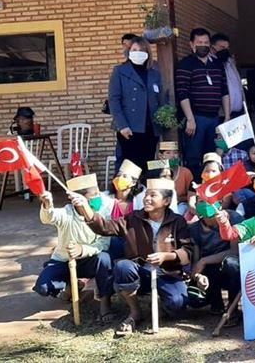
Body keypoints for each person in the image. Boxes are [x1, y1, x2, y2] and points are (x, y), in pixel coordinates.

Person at [76, 178, 194, 336]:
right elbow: (104, 227)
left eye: (153, 195)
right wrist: (85, 209)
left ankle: (162, 306)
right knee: (123, 266)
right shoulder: (133, 219)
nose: (147, 199)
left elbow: (188, 251)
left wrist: (167, 256)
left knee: (178, 305)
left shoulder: (177, 221)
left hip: (168, 274)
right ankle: (135, 311)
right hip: (141, 272)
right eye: (146, 195)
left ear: (166, 201)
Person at [34, 175, 113, 322]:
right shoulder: (66, 213)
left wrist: (82, 250)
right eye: (94, 195)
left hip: (89, 260)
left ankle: (105, 302)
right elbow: (49, 218)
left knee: (104, 259)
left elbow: (103, 244)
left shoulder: (103, 214)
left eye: (98, 193)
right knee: (44, 288)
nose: (98, 198)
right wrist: (47, 205)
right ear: (77, 199)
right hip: (64, 261)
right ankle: (73, 286)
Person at [176, 28, 231, 178]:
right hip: (196, 118)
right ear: (192, 44)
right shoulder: (185, 64)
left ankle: (212, 187)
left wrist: (227, 116)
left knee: (213, 157)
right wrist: (190, 119)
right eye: (199, 42)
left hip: (214, 118)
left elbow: (224, 90)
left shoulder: (217, 64)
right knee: (194, 157)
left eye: (206, 42)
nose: (203, 45)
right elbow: (182, 93)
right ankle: (194, 187)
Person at [109, 37, 164, 178]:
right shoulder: (120, 71)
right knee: (129, 167)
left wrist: (164, 119)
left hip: (150, 128)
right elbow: (114, 100)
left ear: (147, 53)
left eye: (141, 50)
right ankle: (124, 192)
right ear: (129, 51)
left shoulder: (154, 73)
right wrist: (122, 125)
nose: (138, 52)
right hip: (130, 128)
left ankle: (145, 190)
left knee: (148, 165)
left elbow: (160, 98)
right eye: (134, 49)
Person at [187, 198, 242, 320]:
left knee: (232, 263)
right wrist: (198, 276)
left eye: (210, 200)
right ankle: (216, 303)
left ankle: (233, 308)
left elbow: (235, 251)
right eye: (201, 201)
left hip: (230, 267)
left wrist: (204, 260)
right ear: (196, 205)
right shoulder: (194, 229)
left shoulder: (234, 218)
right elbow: (196, 262)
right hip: (210, 271)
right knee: (194, 299)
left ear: (220, 203)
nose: (206, 204)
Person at [210, 33, 246, 120]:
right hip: (222, 114)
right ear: (212, 48)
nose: (225, 50)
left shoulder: (230, 63)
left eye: (227, 48)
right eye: (222, 47)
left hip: (239, 113)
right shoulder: (210, 64)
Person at [156, 141, 193, 208]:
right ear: (161, 156)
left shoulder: (185, 172)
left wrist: (176, 200)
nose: (172, 156)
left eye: (175, 152)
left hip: (181, 205)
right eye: (168, 153)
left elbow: (191, 195)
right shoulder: (155, 172)